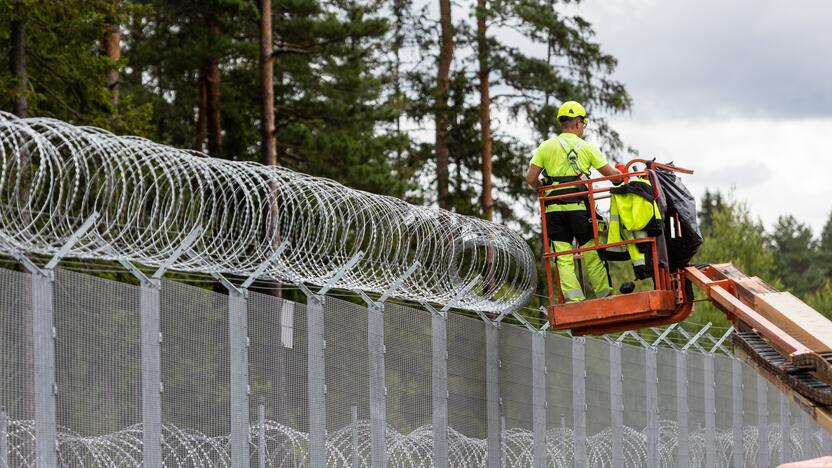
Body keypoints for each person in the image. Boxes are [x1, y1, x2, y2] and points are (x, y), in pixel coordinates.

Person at [525, 100, 621, 302]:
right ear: (578, 123)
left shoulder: (546, 147)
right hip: (579, 210)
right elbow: (612, 176)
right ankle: (605, 296)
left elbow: (531, 179)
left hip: (553, 211)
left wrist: (545, 188)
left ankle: (574, 301)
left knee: (563, 257)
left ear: (562, 123)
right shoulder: (587, 147)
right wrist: (625, 175)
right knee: (591, 252)